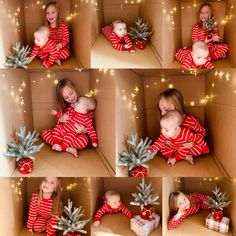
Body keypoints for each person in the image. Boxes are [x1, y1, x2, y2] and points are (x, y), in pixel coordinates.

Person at [41, 79, 95, 157]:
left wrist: (84, 130)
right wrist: (61, 119)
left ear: (75, 89)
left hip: (77, 136)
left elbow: (90, 125)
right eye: (66, 97)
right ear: (63, 99)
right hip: (65, 134)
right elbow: (60, 125)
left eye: (71, 93)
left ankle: (62, 147)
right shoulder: (69, 108)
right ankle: (65, 146)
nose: (71, 98)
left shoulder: (85, 103)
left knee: (83, 141)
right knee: (45, 133)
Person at [157, 88, 208, 163]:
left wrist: (193, 143)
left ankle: (181, 156)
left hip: (187, 147)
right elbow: (162, 136)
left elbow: (202, 133)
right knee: (160, 147)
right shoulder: (165, 120)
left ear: (178, 106)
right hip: (173, 147)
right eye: (161, 110)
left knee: (200, 148)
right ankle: (178, 156)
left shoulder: (191, 121)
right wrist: (165, 141)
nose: (162, 114)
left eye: (166, 109)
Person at [44, 1, 70, 66]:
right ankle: (54, 58)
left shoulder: (63, 26)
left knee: (66, 53)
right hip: (50, 49)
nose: (50, 15)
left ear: (58, 13)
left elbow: (66, 39)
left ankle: (52, 58)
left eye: (53, 12)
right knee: (41, 51)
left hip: (60, 48)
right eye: (47, 13)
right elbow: (45, 40)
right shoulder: (46, 28)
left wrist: (59, 45)